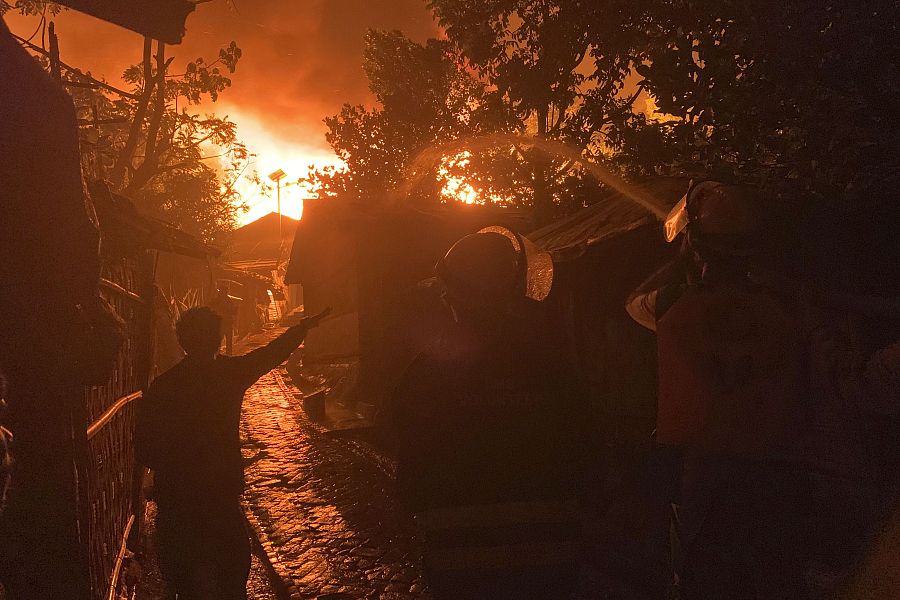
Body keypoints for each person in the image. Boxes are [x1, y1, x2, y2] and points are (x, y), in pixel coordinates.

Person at [393, 227, 587, 600]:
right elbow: (584, 440)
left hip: (461, 555)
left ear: (453, 296)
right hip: (549, 550)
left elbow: (412, 462)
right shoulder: (553, 363)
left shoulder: (427, 370)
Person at [135, 306, 329, 599]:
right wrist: (300, 329)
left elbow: (145, 449)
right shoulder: (228, 375)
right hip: (220, 497)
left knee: (184, 583)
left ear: (182, 340)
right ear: (216, 339)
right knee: (231, 579)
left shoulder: (164, 387)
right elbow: (269, 355)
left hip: (178, 504)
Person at [208, 286, 239, 355]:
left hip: (220, 323)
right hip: (226, 323)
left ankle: (217, 355)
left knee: (218, 341)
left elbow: (210, 308)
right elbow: (233, 312)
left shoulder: (216, 301)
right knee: (228, 342)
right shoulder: (229, 301)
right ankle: (228, 356)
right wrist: (235, 309)